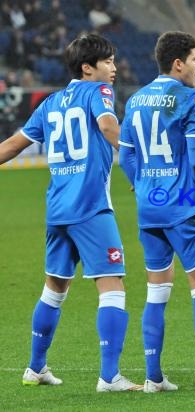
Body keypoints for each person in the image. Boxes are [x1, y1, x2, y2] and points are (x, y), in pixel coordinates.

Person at [0, 33, 141, 392]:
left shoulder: (50, 104)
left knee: (54, 288)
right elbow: (109, 127)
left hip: (58, 208)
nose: (113, 68)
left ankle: (35, 367)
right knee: (112, 286)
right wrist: (140, 160)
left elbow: (14, 146)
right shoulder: (98, 93)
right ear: (87, 68)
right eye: (107, 61)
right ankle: (110, 376)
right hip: (90, 206)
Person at [118, 31, 195, 393]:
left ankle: (153, 378)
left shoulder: (134, 101)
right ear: (178, 63)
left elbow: (125, 156)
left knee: (156, 292)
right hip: (184, 210)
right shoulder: (191, 99)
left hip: (150, 210)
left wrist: (142, 183)